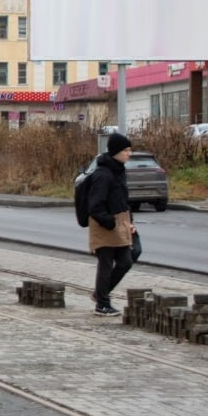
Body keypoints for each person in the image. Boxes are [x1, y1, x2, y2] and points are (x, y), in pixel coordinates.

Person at [87, 132, 136, 316]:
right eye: (126, 150)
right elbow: (95, 205)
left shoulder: (119, 171)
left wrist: (129, 221)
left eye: (130, 149)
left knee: (126, 261)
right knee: (106, 264)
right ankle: (102, 304)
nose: (129, 153)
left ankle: (100, 294)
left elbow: (123, 200)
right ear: (116, 151)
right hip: (104, 225)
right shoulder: (103, 174)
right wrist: (109, 222)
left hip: (120, 223)